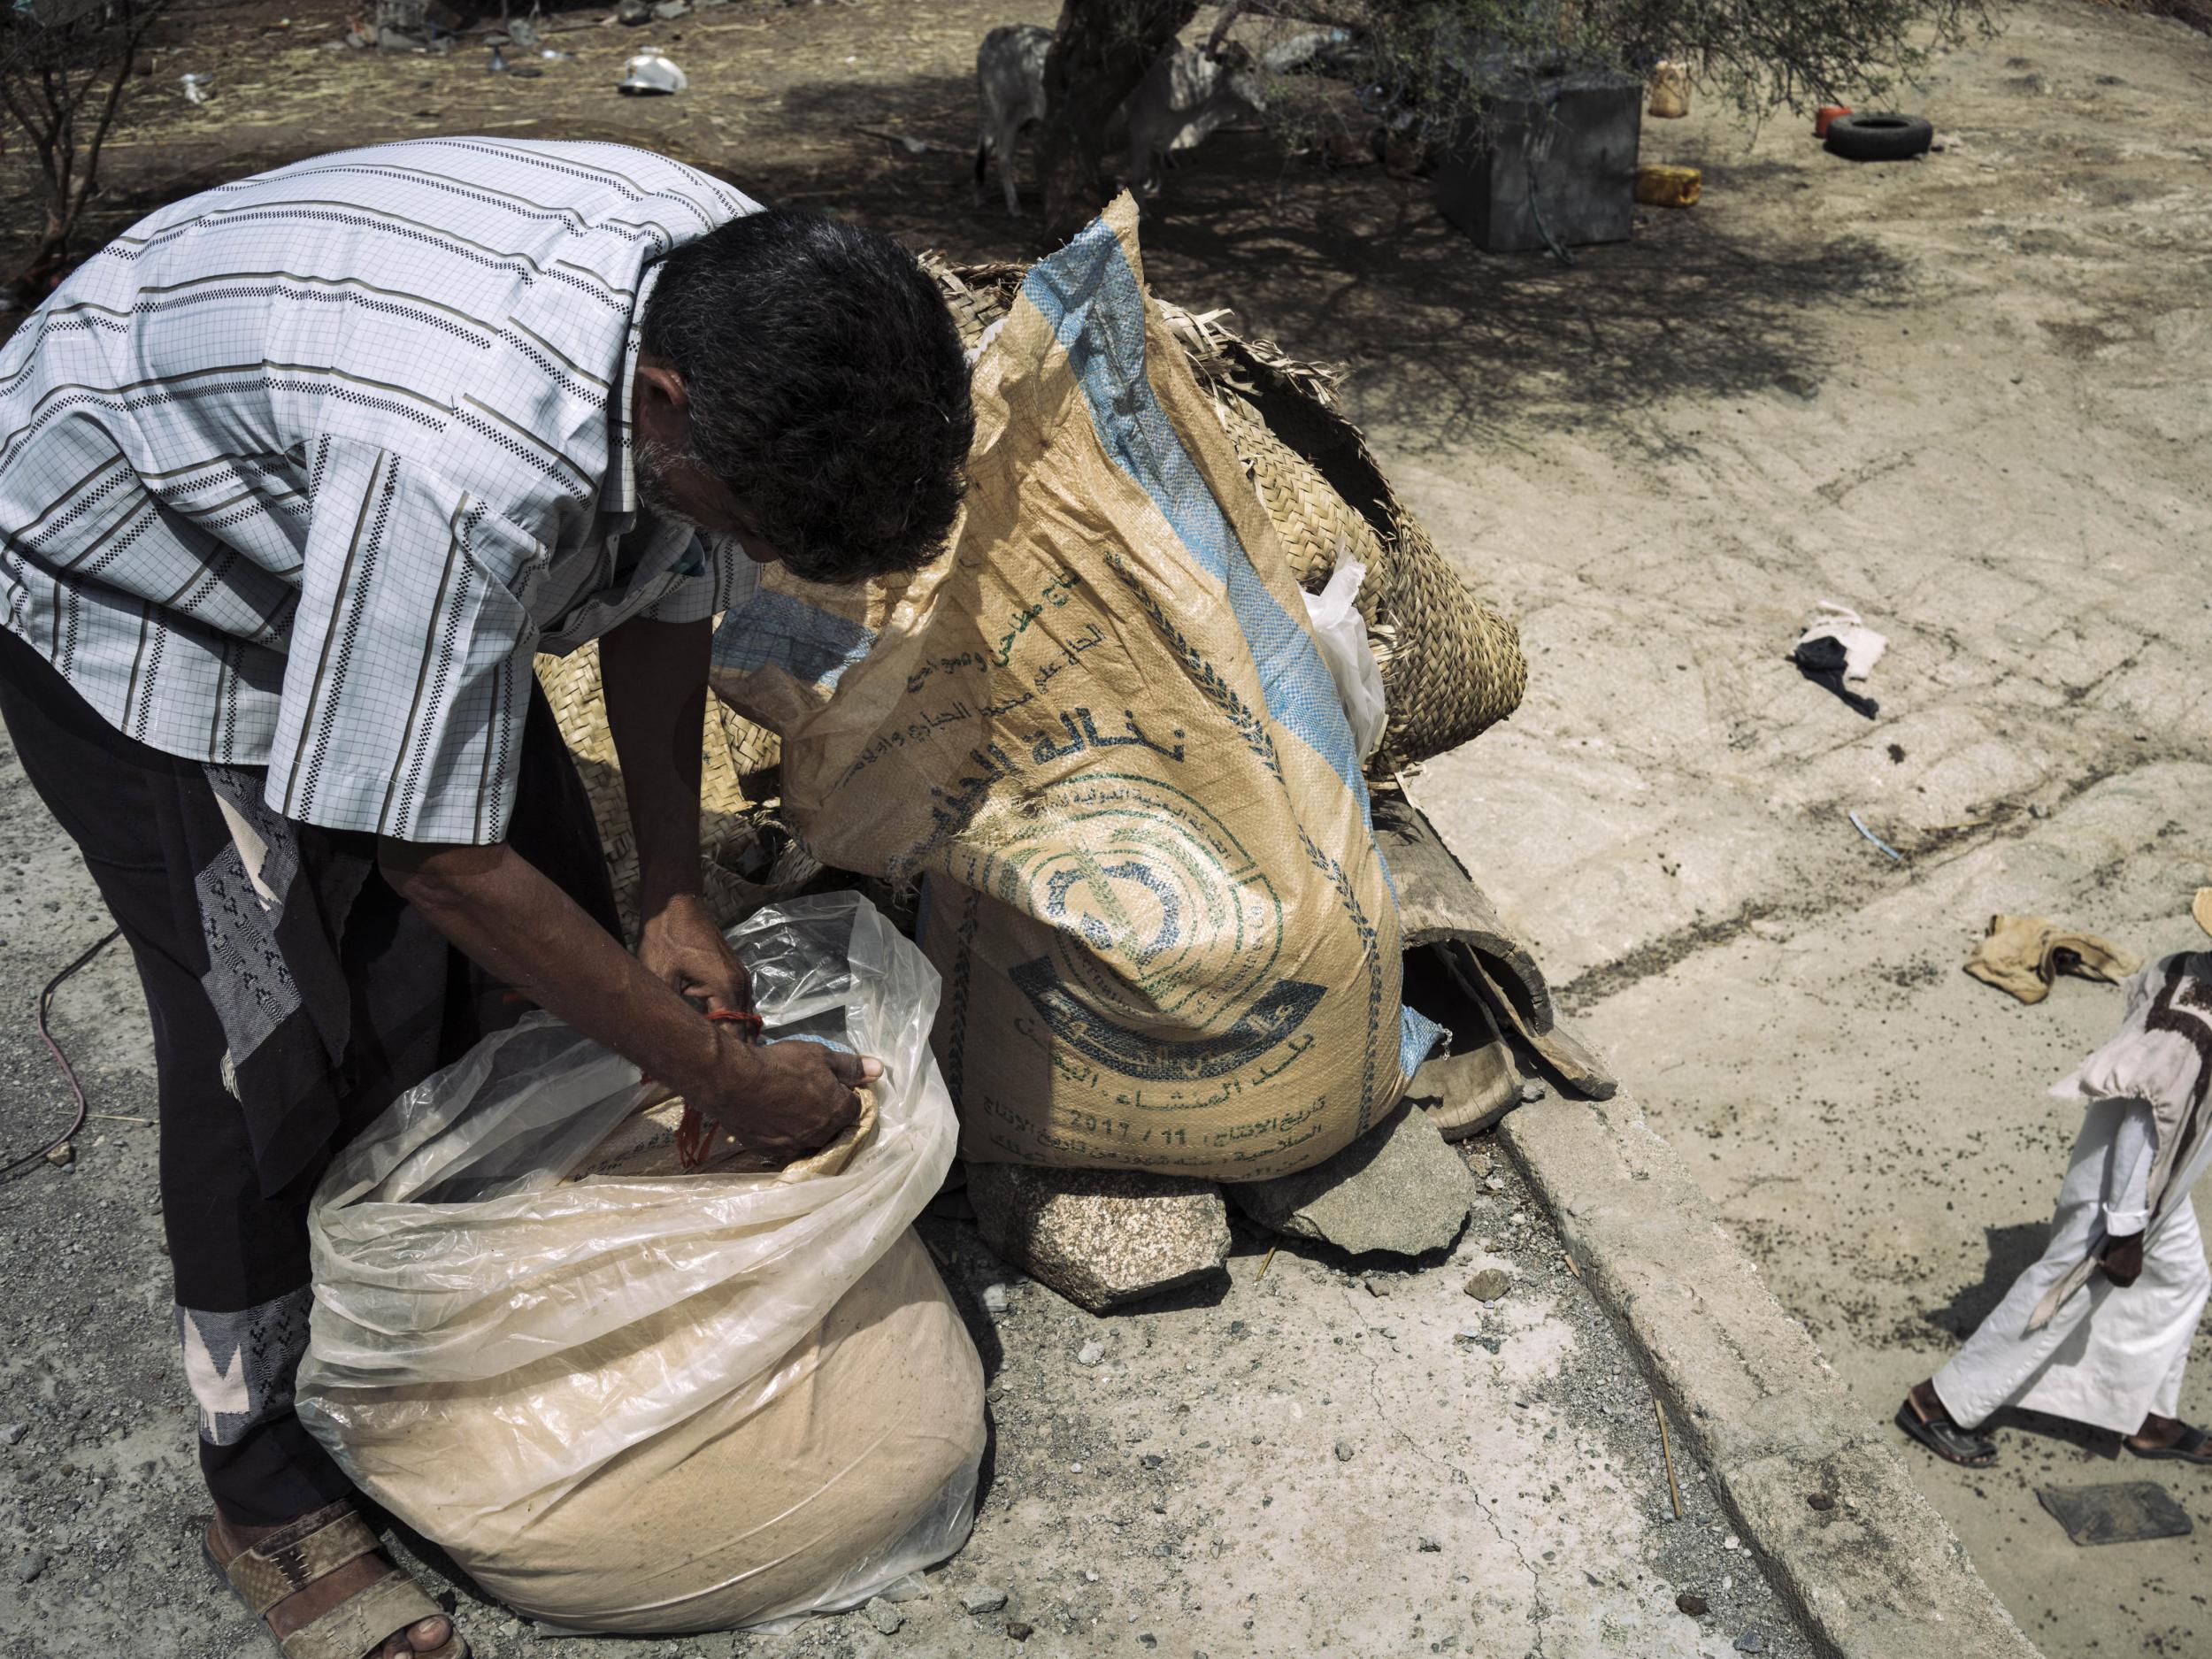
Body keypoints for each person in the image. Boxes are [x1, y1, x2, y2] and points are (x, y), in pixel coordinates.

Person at [0, 138, 972, 1659]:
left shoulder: (737, 289)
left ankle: (447, 1335)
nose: (750, 548)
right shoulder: (457, 467)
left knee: (545, 966)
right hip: (144, 562)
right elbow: (433, 855)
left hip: (349, 505)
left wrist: (669, 891)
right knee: (269, 1049)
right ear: (661, 406)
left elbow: (670, 577)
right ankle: (264, 1495)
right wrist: (721, 1073)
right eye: (750, 512)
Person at [1898, 949, 2212, 1470]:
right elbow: (2143, 1132)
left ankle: (2150, 1416)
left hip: (2159, 1189)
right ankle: (1935, 1402)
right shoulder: (2194, 1026)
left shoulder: (2181, 965)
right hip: (2124, 1192)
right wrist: (2127, 1230)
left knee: (2182, 1278)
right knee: (2059, 1294)